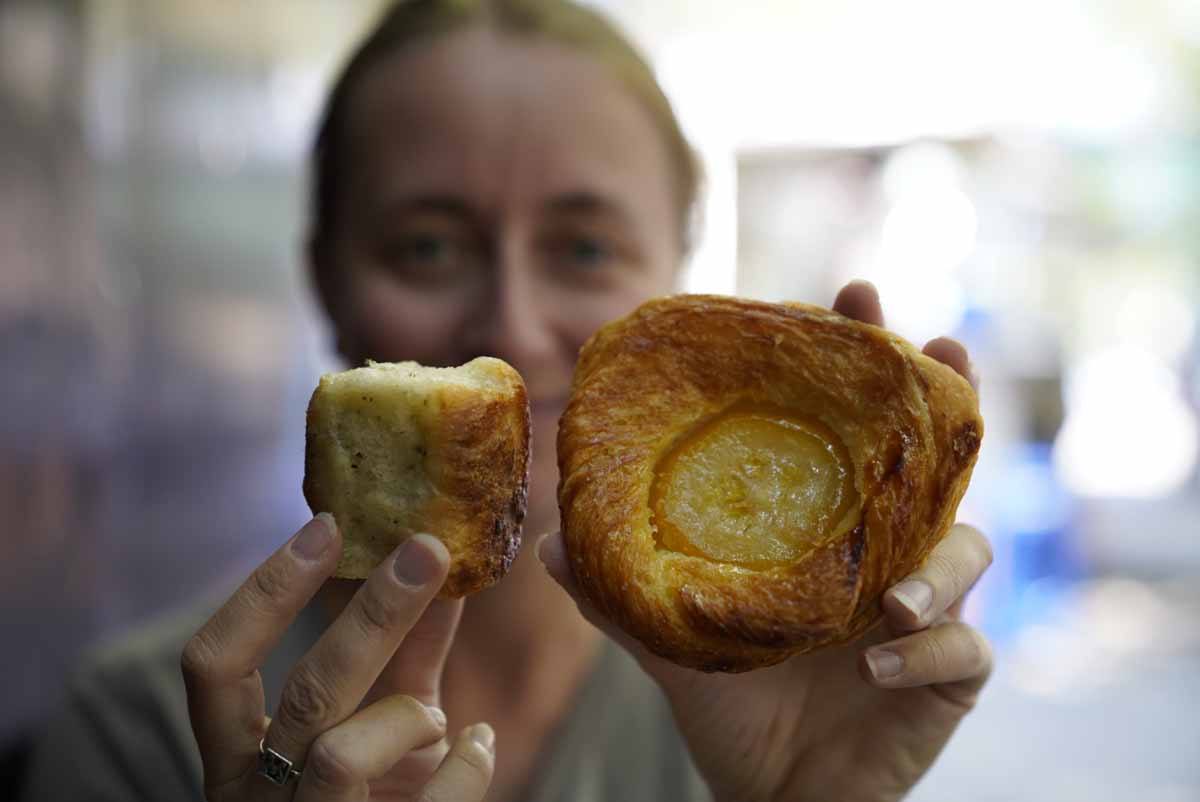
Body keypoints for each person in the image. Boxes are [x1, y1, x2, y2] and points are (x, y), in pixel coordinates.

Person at [21, 1, 994, 800]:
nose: (514, 330)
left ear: (677, 275)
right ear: (325, 281)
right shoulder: (147, 731)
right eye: (429, 247)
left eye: (583, 248)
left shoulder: (773, 705)